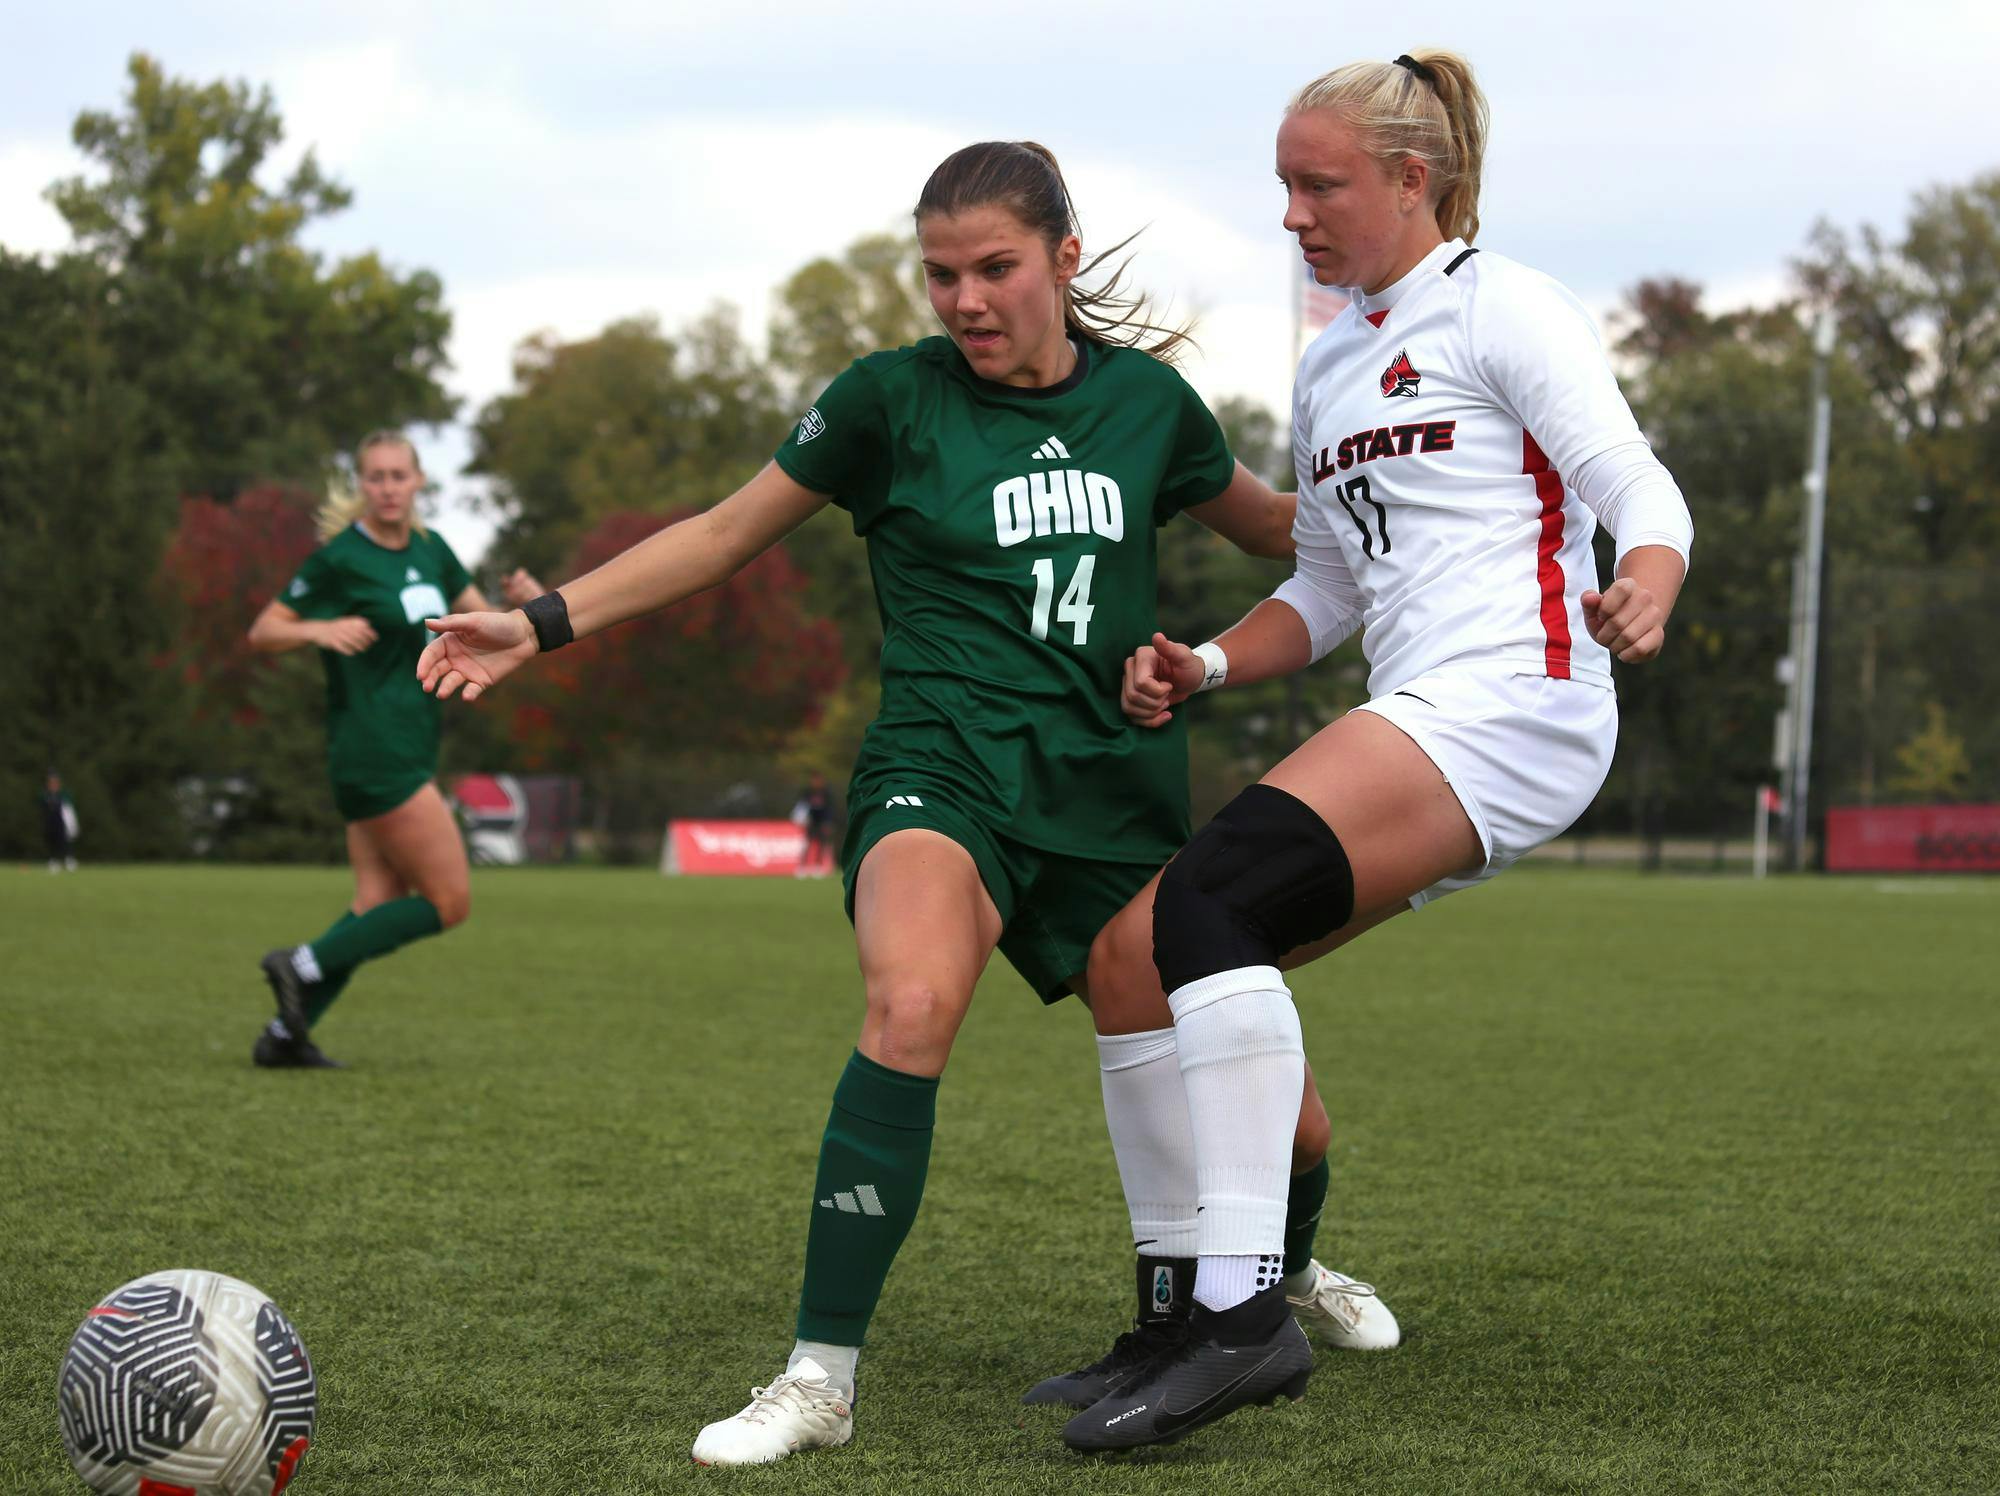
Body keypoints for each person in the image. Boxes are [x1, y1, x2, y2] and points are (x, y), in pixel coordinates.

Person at [417, 140, 1377, 1467]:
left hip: (1115, 799)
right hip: (947, 772)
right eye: (941, 275)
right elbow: (720, 534)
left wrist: (1437, 466)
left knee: (1290, 1117)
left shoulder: (1153, 407)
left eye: (995, 269)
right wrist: (541, 622)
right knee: (912, 1000)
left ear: (1064, 259)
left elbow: (1294, 532)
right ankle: (819, 1378)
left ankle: (1267, 1289)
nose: (966, 301)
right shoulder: (886, 403)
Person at [1061, 50, 1695, 1452]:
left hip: (1516, 705)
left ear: (1415, 180)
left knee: (1210, 906)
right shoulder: (1334, 361)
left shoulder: (1507, 307)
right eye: (1283, 183)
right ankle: (1171, 1318)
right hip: (1427, 716)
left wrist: (1648, 573)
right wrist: (1211, 660)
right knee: (1133, 954)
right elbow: (1333, 593)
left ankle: (1245, 1320)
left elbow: (1632, 482)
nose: (1293, 212)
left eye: (1319, 182)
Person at [244, 431, 541, 1069]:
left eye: (398, 476)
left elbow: (484, 627)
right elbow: (264, 630)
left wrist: (526, 609)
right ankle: (298, 963)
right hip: (371, 748)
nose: (386, 488)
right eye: (374, 477)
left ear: (418, 482)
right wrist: (320, 628)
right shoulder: (340, 558)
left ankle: (283, 1037)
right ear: (362, 486)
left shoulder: (434, 551)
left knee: (375, 904)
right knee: (450, 902)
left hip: (411, 744)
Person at [793, 770, 837, 879]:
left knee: (821, 845)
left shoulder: (826, 793)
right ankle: (802, 868)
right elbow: (802, 807)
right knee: (807, 844)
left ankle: (817, 867)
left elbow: (830, 809)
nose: (816, 782)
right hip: (810, 822)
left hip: (822, 822)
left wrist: (828, 822)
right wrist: (802, 819)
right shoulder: (807, 792)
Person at [41, 770, 78, 872]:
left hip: (62, 823)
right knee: (52, 842)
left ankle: (69, 860)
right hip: (50, 823)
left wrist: (71, 824)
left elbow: (68, 810)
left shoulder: (63, 795)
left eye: (55, 782)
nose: (53, 784)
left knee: (65, 842)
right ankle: (53, 861)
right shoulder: (46, 795)